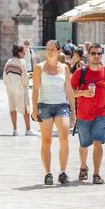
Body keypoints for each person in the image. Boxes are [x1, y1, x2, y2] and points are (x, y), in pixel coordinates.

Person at [71, 43, 105, 185]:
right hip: (83, 115)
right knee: (84, 145)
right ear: (88, 55)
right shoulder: (80, 73)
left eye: (99, 53)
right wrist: (84, 92)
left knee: (98, 143)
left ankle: (96, 174)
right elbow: (70, 92)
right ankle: (83, 166)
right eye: (93, 53)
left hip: (100, 114)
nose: (96, 56)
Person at [31, 40, 75, 185]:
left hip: (62, 105)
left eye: (52, 49)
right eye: (47, 49)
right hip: (45, 106)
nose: (49, 51)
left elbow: (69, 90)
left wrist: (73, 111)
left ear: (58, 51)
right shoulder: (39, 68)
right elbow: (36, 89)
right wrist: (34, 108)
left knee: (64, 138)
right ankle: (48, 172)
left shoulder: (65, 68)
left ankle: (62, 172)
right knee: (47, 140)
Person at [3, 44, 33, 136]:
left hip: (10, 89)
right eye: (23, 52)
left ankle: (15, 130)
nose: (25, 53)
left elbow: (5, 77)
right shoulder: (22, 62)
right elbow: (24, 79)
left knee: (12, 108)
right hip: (20, 89)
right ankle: (28, 130)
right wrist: (29, 76)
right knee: (25, 108)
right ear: (19, 53)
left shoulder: (8, 61)